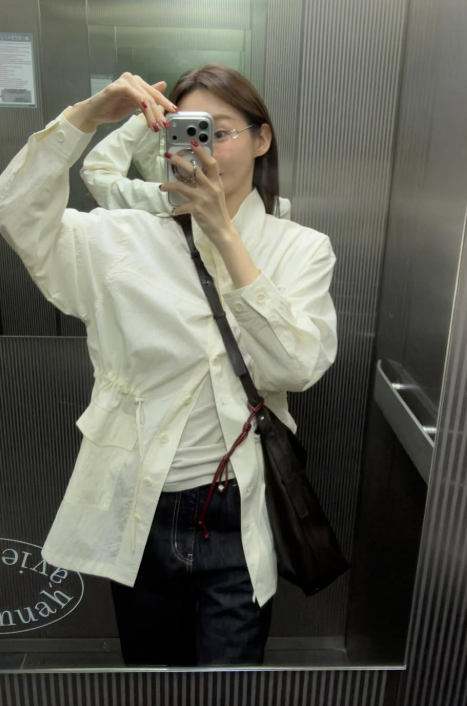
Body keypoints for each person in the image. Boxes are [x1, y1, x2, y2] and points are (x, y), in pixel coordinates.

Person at [0, 66, 338, 667]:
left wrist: (224, 236)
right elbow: (17, 212)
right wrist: (85, 116)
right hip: (139, 509)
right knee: (153, 679)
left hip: (236, 513)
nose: (201, 148)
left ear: (261, 139)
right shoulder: (120, 239)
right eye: (184, 131)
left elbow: (296, 367)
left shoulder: (300, 248)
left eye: (219, 132)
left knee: (229, 683)